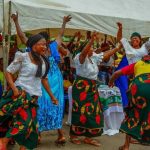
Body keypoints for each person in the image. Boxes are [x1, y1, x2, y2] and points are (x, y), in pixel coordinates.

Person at [11, 12, 71, 145]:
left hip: (44, 77)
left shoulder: (38, 48)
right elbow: (61, 34)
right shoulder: (53, 46)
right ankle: (60, 134)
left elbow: (22, 36)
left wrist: (16, 21)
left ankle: (38, 135)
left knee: (41, 105)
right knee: (55, 104)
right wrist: (64, 23)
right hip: (55, 78)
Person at [0, 34, 58, 150]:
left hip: (33, 98)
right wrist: (15, 89)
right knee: (24, 123)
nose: (44, 47)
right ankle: (3, 140)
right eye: (41, 44)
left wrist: (52, 96)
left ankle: (23, 147)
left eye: (45, 44)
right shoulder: (23, 56)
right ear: (33, 45)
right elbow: (8, 72)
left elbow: (44, 79)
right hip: (20, 94)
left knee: (31, 128)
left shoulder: (44, 61)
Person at [69, 32, 122, 146]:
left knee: (94, 111)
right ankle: (73, 135)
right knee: (79, 111)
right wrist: (91, 40)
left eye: (92, 47)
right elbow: (83, 53)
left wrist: (117, 48)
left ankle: (89, 137)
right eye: (91, 47)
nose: (93, 49)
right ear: (85, 48)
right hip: (81, 87)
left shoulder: (93, 57)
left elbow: (106, 54)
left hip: (92, 87)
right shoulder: (79, 57)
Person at [108, 41, 150, 150]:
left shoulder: (138, 64)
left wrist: (111, 82)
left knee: (132, 114)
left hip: (138, 88)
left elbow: (116, 73)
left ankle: (126, 146)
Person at [115, 22, 148, 107]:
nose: (134, 40)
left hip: (145, 75)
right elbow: (119, 39)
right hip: (132, 75)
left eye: (136, 38)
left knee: (145, 95)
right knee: (132, 96)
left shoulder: (145, 47)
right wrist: (120, 28)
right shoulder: (128, 47)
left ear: (140, 40)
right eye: (132, 38)